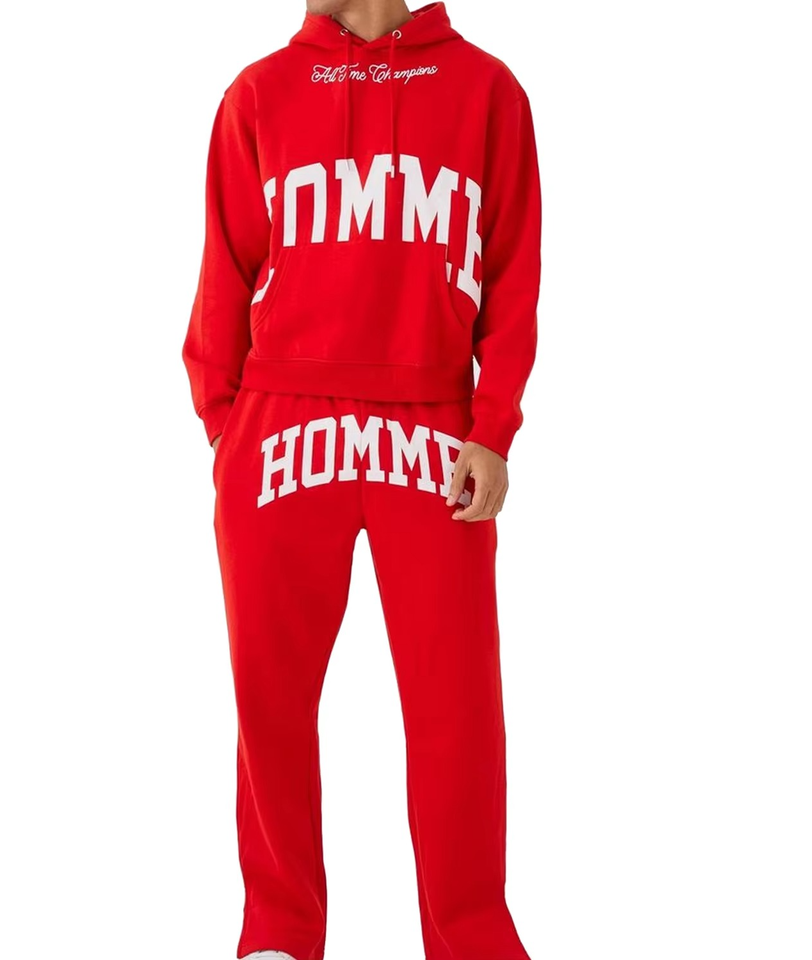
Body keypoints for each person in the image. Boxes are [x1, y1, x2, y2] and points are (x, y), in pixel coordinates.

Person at [181, 1, 541, 957]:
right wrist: (228, 431)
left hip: (434, 426)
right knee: (270, 700)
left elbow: (513, 276)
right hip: (281, 422)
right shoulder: (257, 94)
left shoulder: (488, 92)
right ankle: (278, 930)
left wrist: (493, 427)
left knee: (457, 707)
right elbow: (222, 273)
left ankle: (472, 935)